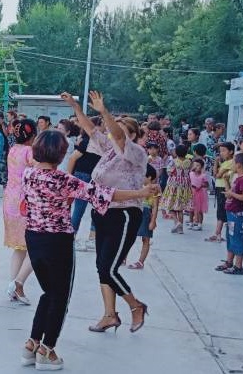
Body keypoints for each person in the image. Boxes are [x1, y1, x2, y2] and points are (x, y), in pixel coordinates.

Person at [19, 129, 159, 370]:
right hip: (57, 242)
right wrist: (141, 192)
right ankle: (47, 350)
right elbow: (104, 195)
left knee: (48, 293)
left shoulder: (28, 174)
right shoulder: (63, 180)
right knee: (59, 297)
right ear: (61, 154)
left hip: (33, 237)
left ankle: (32, 344)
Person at [61, 91, 151, 335]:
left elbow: (118, 136)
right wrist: (75, 106)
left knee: (109, 268)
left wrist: (104, 111)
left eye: (119, 130)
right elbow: (91, 129)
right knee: (102, 267)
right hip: (103, 211)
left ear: (133, 135)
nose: (112, 133)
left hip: (124, 213)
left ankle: (136, 305)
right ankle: (110, 315)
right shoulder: (109, 150)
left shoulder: (136, 152)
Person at [3, 119, 36, 304]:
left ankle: (12, 285)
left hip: (10, 200)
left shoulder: (13, 149)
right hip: (25, 201)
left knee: (19, 246)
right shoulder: (30, 151)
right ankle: (18, 283)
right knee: (35, 247)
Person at [67, 116, 103, 251]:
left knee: (97, 208)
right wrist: (69, 178)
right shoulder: (87, 141)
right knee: (79, 209)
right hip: (83, 176)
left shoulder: (101, 142)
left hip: (96, 178)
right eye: (102, 125)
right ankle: (71, 238)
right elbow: (72, 158)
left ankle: (92, 238)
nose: (104, 127)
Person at [215, 153, 243, 275]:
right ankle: (229, 261)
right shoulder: (237, 179)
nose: (231, 165)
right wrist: (226, 181)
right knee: (231, 238)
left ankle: (238, 266)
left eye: (233, 163)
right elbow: (230, 193)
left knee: (237, 239)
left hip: (237, 214)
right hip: (231, 212)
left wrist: (232, 194)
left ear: (239, 165)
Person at [128, 165, 160, 270]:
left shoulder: (155, 189)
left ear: (149, 177)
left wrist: (153, 221)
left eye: (142, 175)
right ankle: (123, 257)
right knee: (129, 236)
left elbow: (155, 206)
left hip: (146, 213)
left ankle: (140, 262)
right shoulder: (138, 186)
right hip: (136, 211)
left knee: (145, 239)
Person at [160, 144, 192, 233]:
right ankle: (180, 229)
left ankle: (177, 222)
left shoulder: (173, 161)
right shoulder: (189, 162)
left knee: (170, 206)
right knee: (180, 208)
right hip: (184, 185)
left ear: (176, 153)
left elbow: (169, 172)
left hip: (174, 185)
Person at [207, 142, 235, 243]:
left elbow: (217, 175)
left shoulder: (230, 162)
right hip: (220, 187)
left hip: (224, 187)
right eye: (220, 151)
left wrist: (216, 163)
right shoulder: (225, 162)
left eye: (223, 151)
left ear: (231, 151)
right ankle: (218, 233)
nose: (221, 153)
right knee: (221, 210)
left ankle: (217, 233)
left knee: (221, 211)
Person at [189, 159, 209, 231]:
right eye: (194, 165)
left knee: (200, 210)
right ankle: (191, 223)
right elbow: (189, 182)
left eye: (198, 165)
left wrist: (201, 185)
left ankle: (200, 224)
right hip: (192, 193)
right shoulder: (191, 174)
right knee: (191, 209)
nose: (195, 167)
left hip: (200, 194)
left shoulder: (203, 176)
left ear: (202, 167)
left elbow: (207, 185)